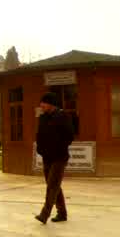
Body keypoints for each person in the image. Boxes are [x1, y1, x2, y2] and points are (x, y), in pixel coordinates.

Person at [35, 91, 73, 224]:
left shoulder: (62, 116)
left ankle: (44, 214)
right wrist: (40, 149)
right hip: (47, 157)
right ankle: (62, 213)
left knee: (52, 185)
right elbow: (39, 135)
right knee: (54, 185)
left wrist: (58, 148)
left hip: (59, 157)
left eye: (43, 103)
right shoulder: (43, 117)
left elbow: (69, 136)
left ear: (50, 104)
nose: (41, 105)